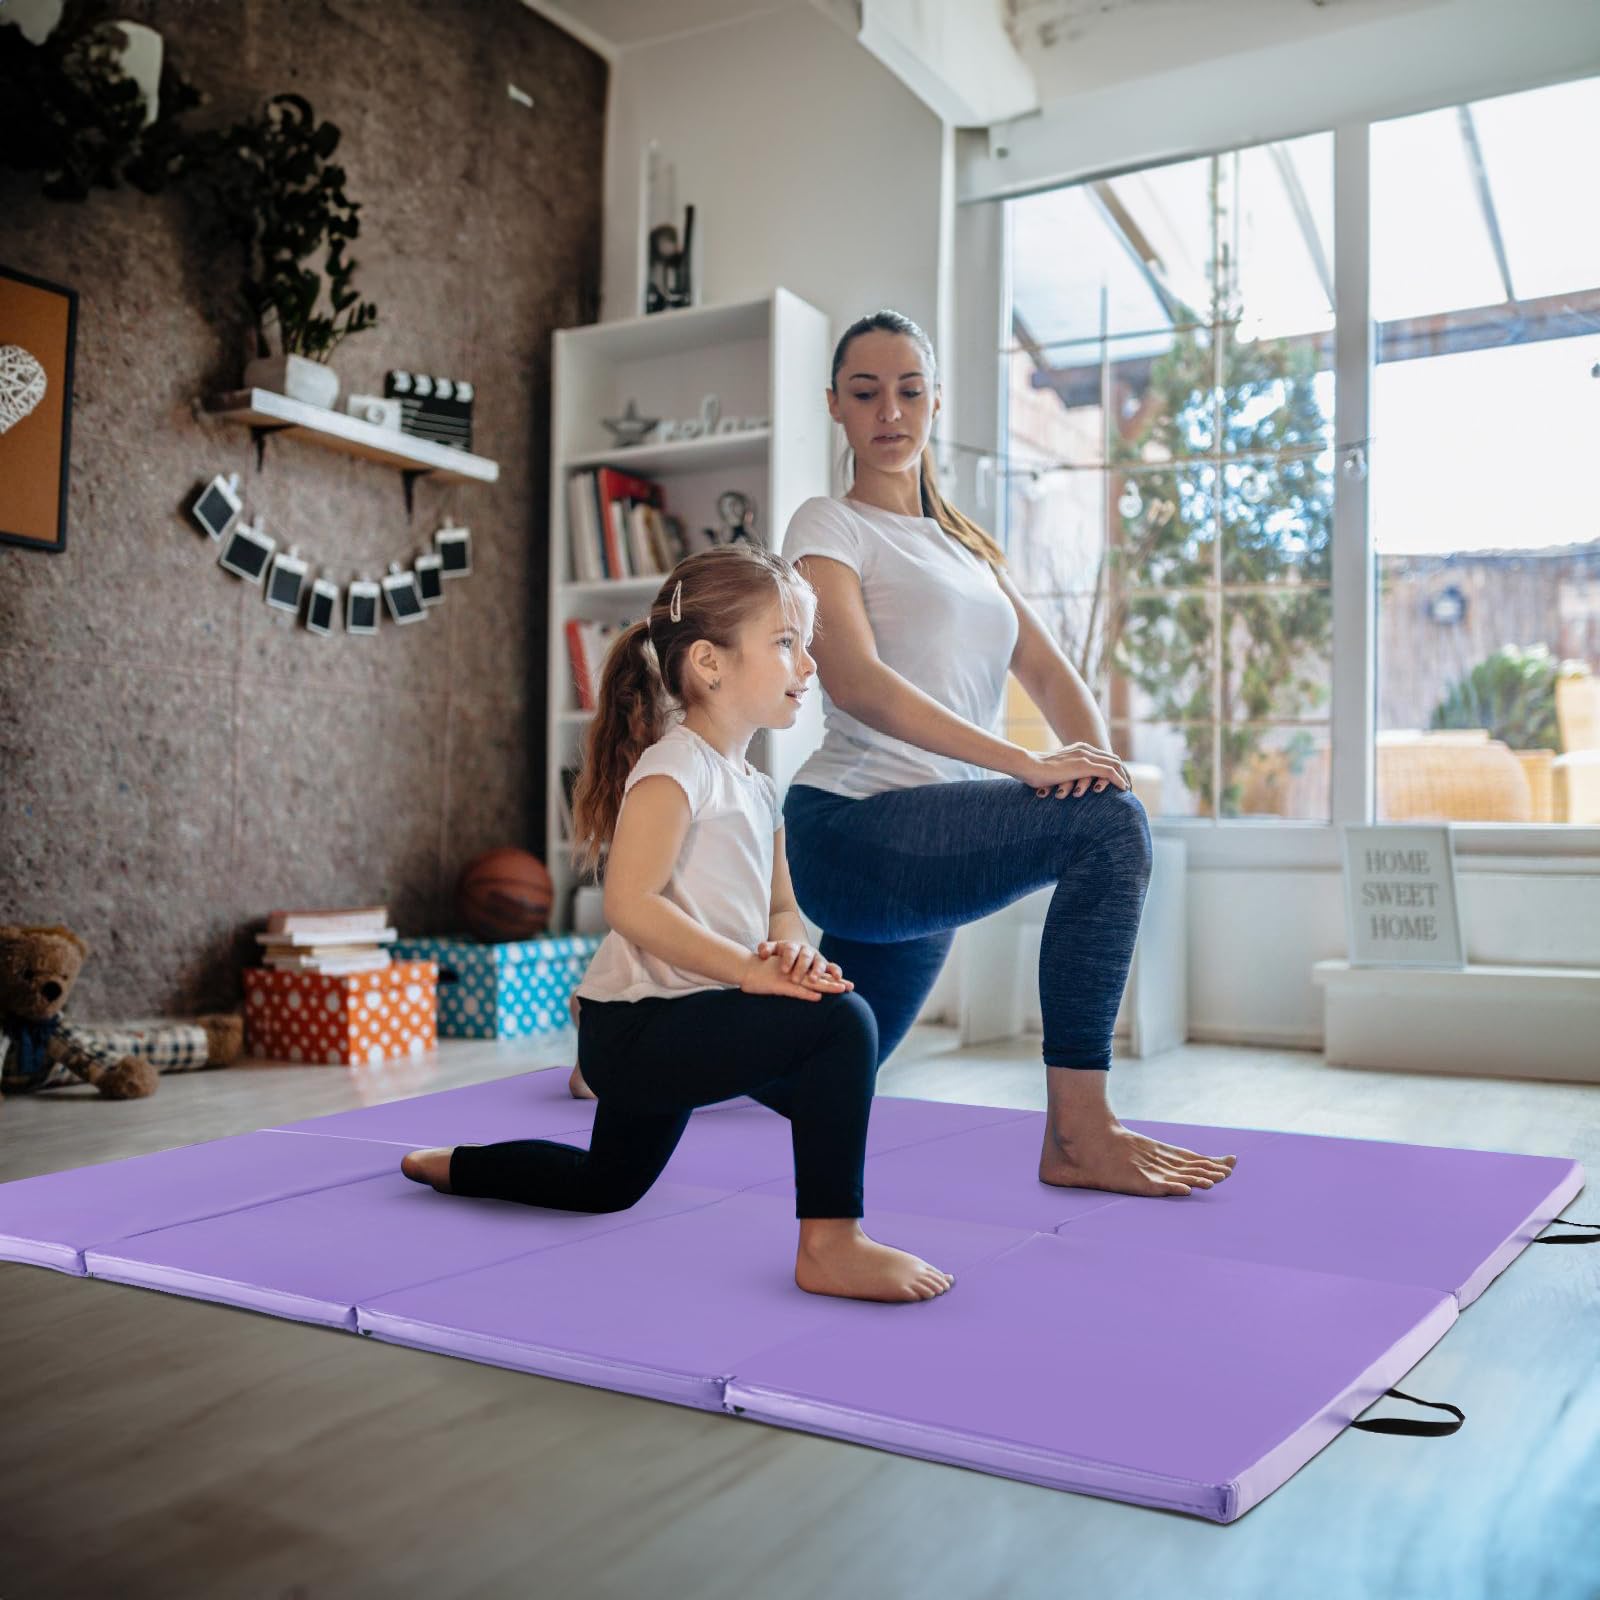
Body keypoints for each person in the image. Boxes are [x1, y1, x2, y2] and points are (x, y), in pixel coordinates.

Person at [402, 544, 954, 1304]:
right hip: (635, 1031)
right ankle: (830, 1244)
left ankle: (455, 1165)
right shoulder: (674, 768)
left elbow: (782, 909)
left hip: (688, 1015)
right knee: (845, 1028)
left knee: (607, 1184)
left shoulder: (759, 790)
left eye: (807, 644)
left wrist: (790, 959)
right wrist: (750, 972)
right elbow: (631, 902)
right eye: (787, 643)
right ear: (709, 663)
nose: (809, 664)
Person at [775, 309, 1238, 1202]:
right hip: (853, 829)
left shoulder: (968, 547)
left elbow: (1056, 678)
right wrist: (1032, 773)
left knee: (820, 1077)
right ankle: (1078, 1132)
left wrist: (1100, 774)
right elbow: (859, 682)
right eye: (866, 392)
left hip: (931, 839)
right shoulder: (827, 524)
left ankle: (639, 1058)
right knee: (1107, 833)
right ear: (835, 405)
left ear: (937, 401)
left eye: (910, 390)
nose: (890, 412)